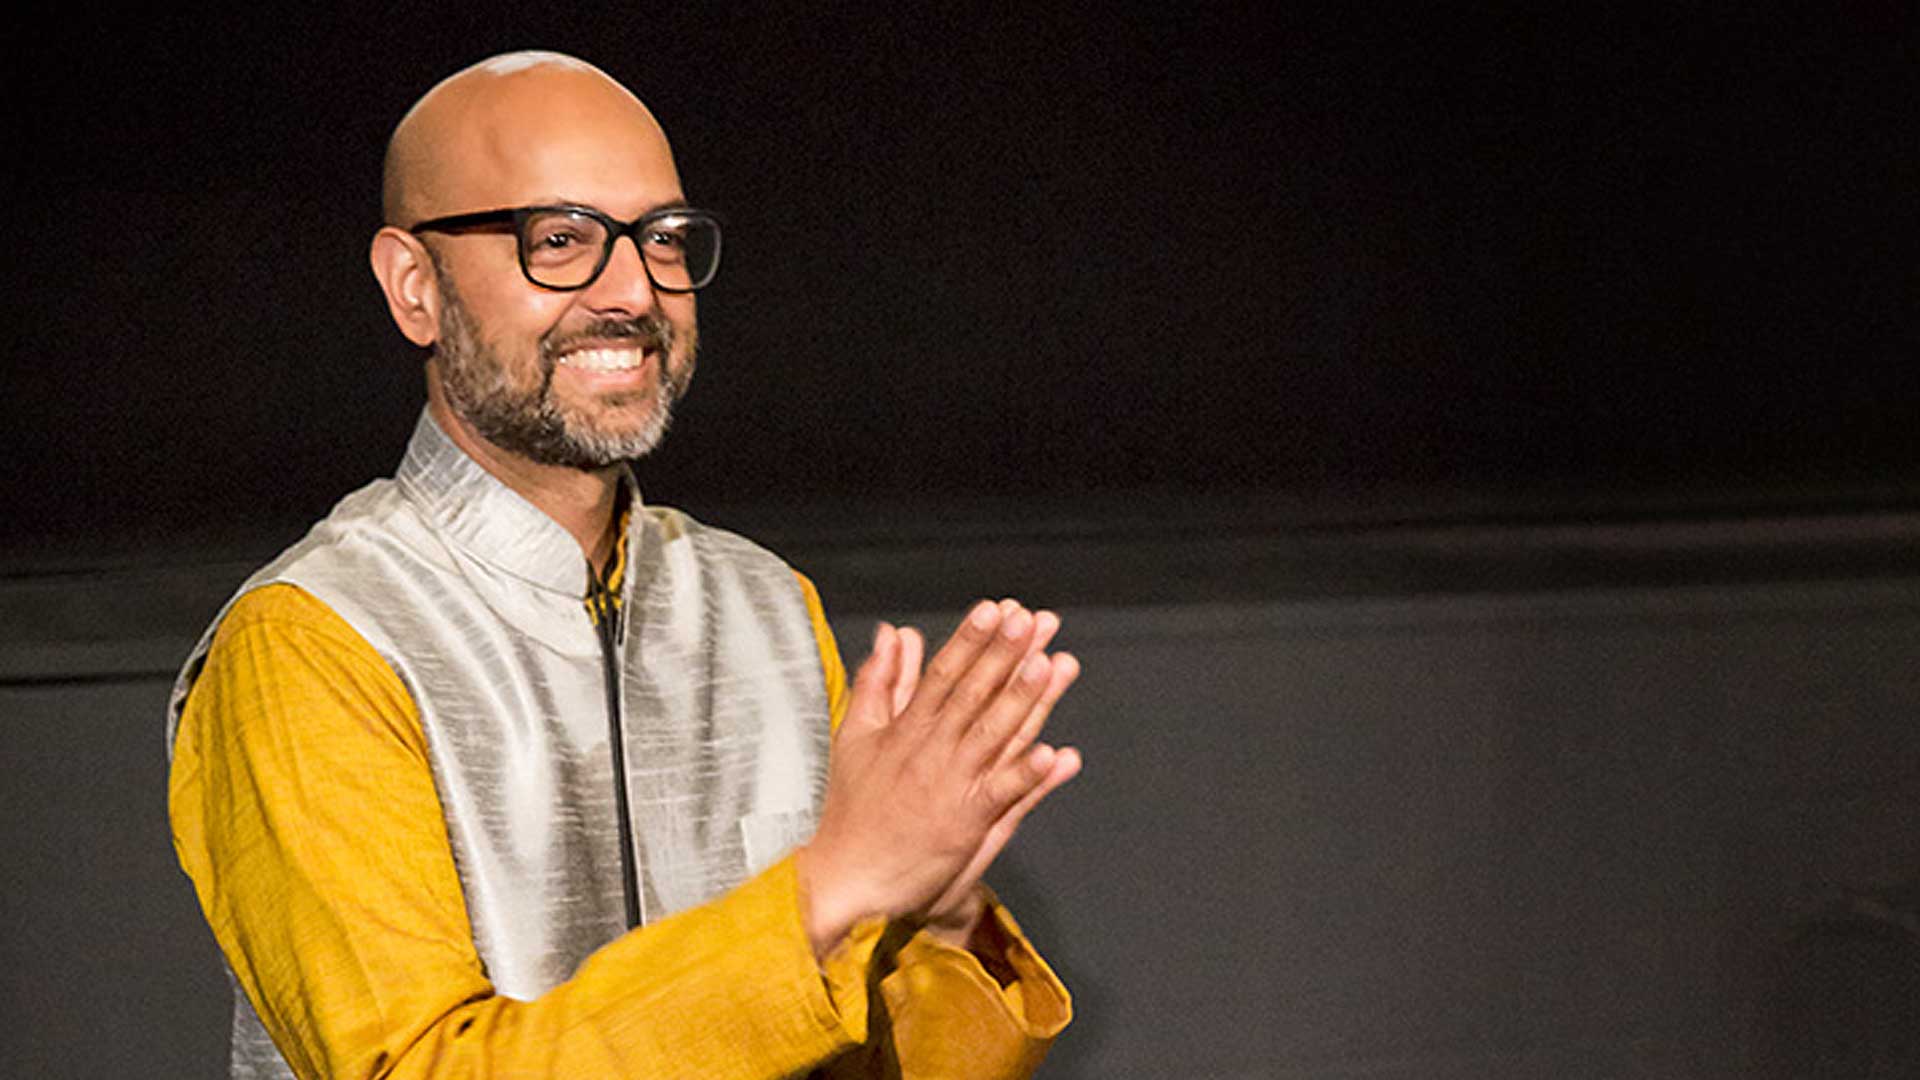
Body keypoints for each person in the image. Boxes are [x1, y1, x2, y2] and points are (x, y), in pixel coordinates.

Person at [166, 51, 1083, 1079]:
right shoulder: (317, 638)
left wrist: (944, 918)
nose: (632, 291)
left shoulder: (765, 608)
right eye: (559, 240)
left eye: (663, 239)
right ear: (413, 287)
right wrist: (824, 893)